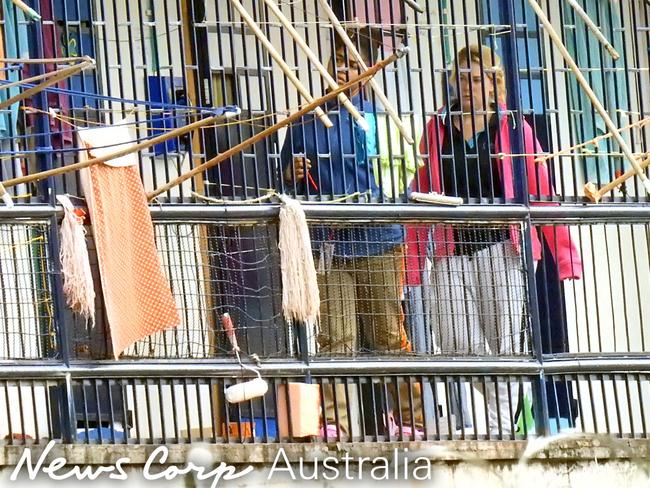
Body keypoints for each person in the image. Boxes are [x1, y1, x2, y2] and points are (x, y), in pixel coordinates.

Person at [406, 44, 583, 436]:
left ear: (493, 84)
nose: (468, 84)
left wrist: (564, 256)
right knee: (457, 341)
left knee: (506, 345)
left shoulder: (515, 129)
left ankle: (499, 433)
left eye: (477, 76)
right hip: (452, 251)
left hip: (503, 249)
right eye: (462, 76)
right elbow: (423, 190)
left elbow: (540, 191)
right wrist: (415, 262)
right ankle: (506, 408)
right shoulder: (436, 128)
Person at [280, 29, 423, 439]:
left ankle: (408, 420)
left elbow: (398, 180)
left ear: (369, 74)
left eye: (353, 64)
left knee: (386, 334)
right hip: (329, 243)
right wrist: (293, 173)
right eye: (338, 61)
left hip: (379, 240)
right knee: (334, 338)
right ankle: (336, 423)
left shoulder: (380, 122)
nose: (343, 70)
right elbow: (286, 183)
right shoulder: (307, 120)